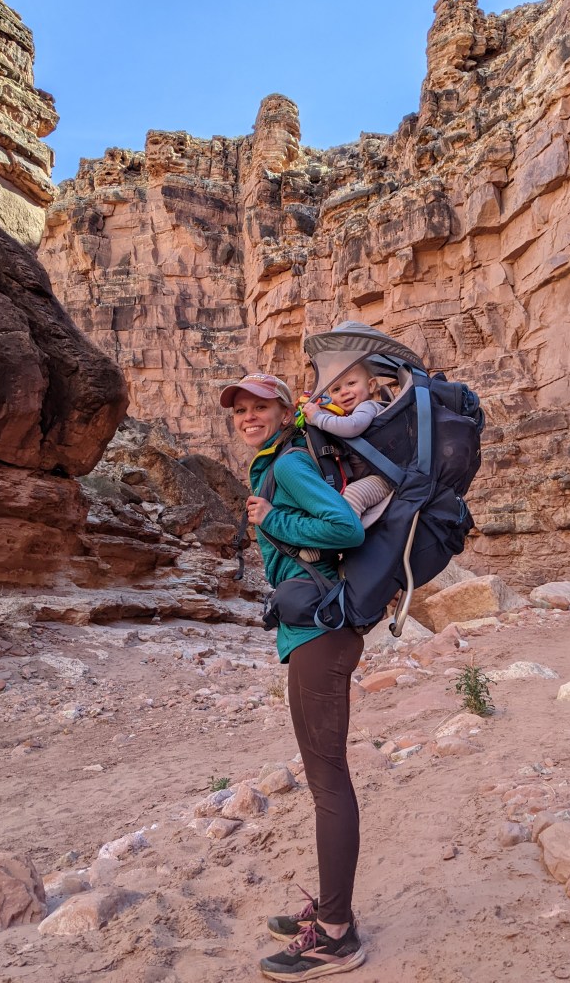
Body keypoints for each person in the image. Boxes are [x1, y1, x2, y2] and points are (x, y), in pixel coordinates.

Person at [219, 371, 368, 980]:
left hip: (321, 633)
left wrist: (272, 519)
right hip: (308, 629)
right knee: (320, 776)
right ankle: (332, 912)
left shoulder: (288, 467)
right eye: (241, 410)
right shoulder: (278, 463)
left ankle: (336, 935)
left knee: (328, 781)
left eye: (261, 407)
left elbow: (346, 529)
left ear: (286, 411)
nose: (249, 416)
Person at [297, 361, 393, 561]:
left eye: (351, 383)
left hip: (384, 477)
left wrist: (318, 418)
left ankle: (329, 547)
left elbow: (352, 427)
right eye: (336, 388)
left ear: (372, 385)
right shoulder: (345, 414)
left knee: (352, 495)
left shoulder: (369, 407)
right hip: (370, 476)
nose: (344, 392)